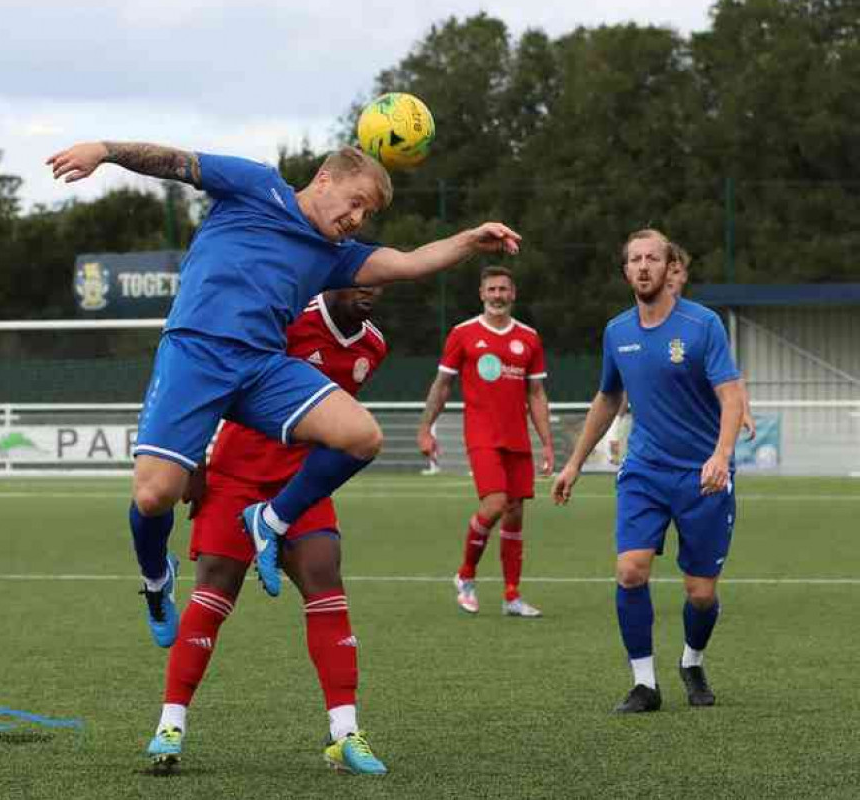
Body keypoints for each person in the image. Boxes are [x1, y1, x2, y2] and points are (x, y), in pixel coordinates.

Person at [48, 142, 520, 646]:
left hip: (261, 368)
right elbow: (175, 163)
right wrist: (103, 150)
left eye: (367, 212)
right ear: (324, 178)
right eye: (355, 202)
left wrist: (472, 239)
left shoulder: (334, 256)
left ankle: (270, 519)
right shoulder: (257, 184)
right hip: (195, 355)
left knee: (362, 436)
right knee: (155, 493)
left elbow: (408, 262)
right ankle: (156, 579)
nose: (357, 218)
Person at [146, 287, 389, 774]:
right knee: (215, 587)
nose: (371, 289)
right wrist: (194, 458)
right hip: (236, 473)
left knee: (325, 580)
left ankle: (345, 733)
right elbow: (217, 377)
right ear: (331, 279)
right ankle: (170, 726)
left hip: (300, 486)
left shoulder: (373, 347)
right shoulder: (287, 321)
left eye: (379, 281)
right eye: (359, 279)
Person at [551, 229, 744, 714]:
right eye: (634, 259)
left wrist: (721, 455)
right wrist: (574, 462)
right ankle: (644, 685)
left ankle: (692, 661)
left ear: (667, 266)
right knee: (630, 571)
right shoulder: (617, 332)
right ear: (625, 271)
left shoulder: (703, 326)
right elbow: (609, 397)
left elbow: (731, 395)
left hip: (703, 475)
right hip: (645, 471)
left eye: (651, 258)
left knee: (700, 594)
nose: (642, 266)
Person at [416, 266, 554, 618]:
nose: (497, 295)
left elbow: (536, 395)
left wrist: (548, 444)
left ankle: (511, 596)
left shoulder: (530, 338)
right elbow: (442, 385)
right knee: (494, 505)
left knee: (515, 514)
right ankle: (465, 576)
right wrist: (425, 428)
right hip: (481, 435)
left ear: (513, 294)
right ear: (481, 294)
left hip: (517, 438)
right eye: (491, 289)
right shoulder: (463, 334)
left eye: (503, 289)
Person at [606, 242, 755, 463]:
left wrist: (743, 410)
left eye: (676, 272)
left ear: (683, 276)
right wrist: (615, 427)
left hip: (700, 451)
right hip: (647, 461)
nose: (671, 278)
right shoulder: (627, 329)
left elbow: (731, 380)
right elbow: (625, 386)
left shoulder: (702, 323)